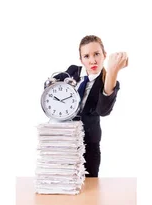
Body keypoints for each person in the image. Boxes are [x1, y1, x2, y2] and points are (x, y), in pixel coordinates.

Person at [53, 35, 128, 177]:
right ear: (81, 60)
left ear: (104, 55)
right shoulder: (73, 71)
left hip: (89, 143)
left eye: (97, 54)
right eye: (86, 56)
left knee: (89, 188)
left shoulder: (108, 81)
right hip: (64, 139)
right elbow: (52, 92)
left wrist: (113, 71)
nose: (92, 60)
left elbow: (103, 110)